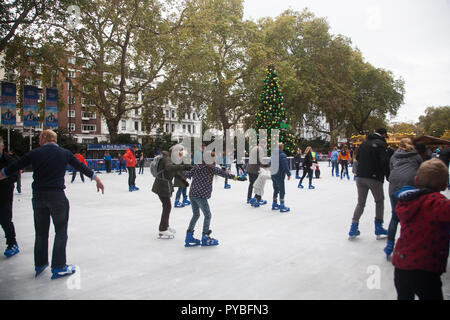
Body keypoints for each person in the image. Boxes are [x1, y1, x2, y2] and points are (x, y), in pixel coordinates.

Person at [0, 130, 104, 279]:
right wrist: (97, 179)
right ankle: (59, 266)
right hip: (57, 197)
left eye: (39, 138)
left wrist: (2, 174)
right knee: (61, 231)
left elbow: (11, 168)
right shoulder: (64, 153)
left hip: (38, 197)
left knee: (41, 232)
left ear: (44, 138)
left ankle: (40, 263)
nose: (38, 141)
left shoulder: (35, 153)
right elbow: (81, 166)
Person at [392, 158, 449, 300]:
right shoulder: (439, 204)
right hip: (425, 268)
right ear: (444, 186)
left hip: (401, 265)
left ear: (416, 180)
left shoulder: (407, 201)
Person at [183, 150, 247, 247]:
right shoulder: (211, 168)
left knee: (196, 215)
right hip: (201, 196)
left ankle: (189, 236)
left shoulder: (197, 166)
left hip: (192, 194)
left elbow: (187, 174)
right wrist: (237, 178)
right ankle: (205, 237)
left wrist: (179, 169)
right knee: (207, 215)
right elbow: (225, 174)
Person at [383, 138, 422, 259]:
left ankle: (389, 244)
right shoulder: (416, 156)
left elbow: (390, 171)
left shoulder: (394, 156)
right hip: (410, 186)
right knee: (411, 217)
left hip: (394, 186)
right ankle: (410, 243)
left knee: (395, 216)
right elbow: (421, 172)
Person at [348, 128, 389, 240]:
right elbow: (384, 161)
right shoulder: (381, 144)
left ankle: (353, 227)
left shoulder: (364, 143)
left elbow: (358, 158)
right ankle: (378, 226)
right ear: (383, 134)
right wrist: (387, 175)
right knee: (379, 201)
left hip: (360, 176)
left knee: (361, 203)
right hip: (374, 177)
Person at [151, 145, 192, 239]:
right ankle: (162, 229)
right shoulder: (167, 159)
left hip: (163, 184)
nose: (181, 156)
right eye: (180, 153)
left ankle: (165, 226)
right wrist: (184, 167)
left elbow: (175, 173)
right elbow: (169, 168)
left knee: (166, 206)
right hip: (162, 185)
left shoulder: (170, 158)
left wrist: (183, 180)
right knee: (167, 206)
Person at [0, 137, 20, 258]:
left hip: (4, 195)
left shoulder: (8, 160)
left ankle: (12, 243)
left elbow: (14, 176)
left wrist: (3, 179)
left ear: (2, 146)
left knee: (5, 220)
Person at [271, 143, 292, 212]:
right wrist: (288, 174)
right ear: (281, 148)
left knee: (276, 189)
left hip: (273, 174)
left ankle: (274, 203)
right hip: (279, 175)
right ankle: (282, 206)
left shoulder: (273, 155)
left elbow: (269, 164)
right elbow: (285, 165)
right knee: (282, 190)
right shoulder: (282, 155)